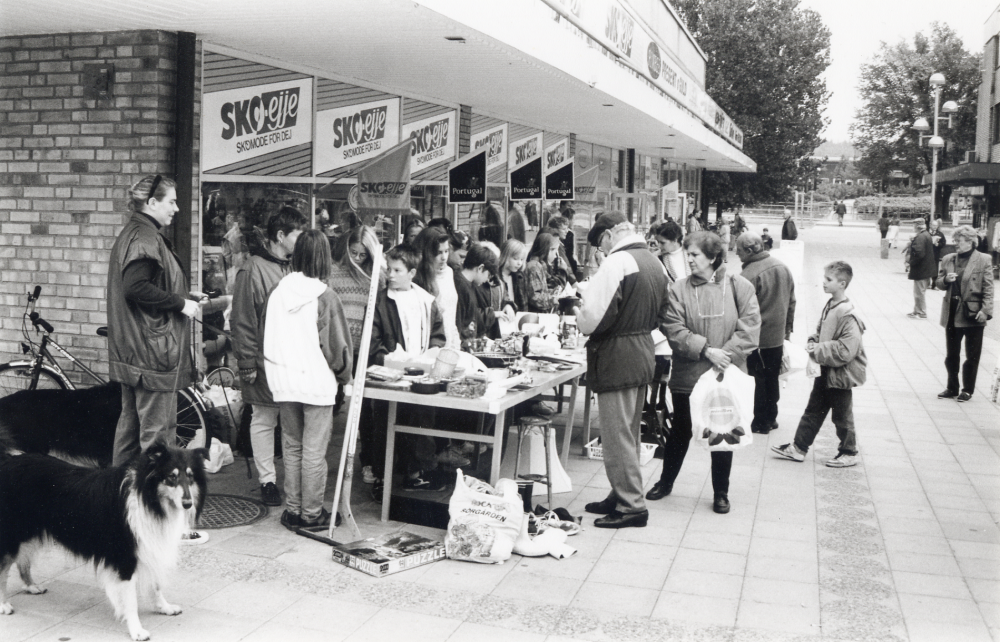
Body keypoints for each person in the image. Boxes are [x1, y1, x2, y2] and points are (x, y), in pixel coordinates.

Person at [649, 231, 760, 514]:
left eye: (695, 254)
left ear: (713, 257)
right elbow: (672, 327)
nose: (689, 260)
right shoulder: (679, 289)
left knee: (722, 433)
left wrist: (727, 355)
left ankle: (721, 492)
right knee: (681, 430)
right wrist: (707, 350)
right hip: (690, 375)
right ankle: (665, 482)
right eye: (687, 254)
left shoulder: (740, 285)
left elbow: (750, 327)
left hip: (725, 374)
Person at [576, 213, 671, 529]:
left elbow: (592, 316)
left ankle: (631, 505)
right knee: (627, 431)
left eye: (599, 245)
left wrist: (579, 315)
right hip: (642, 349)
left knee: (617, 436)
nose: (601, 252)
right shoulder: (654, 262)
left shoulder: (617, 263)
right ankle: (620, 494)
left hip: (617, 354)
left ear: (606, 236)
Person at [108, 175, 204, 464]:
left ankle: (118, 499)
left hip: (136, 351)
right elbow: (135, 286)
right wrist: (179, 303)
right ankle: (153, 504)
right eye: (171, 201)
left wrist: (185, 295)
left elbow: (144, 283)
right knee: (158, 436)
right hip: (153, 355)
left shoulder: (135, 232)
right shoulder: (146, 237)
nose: (176, 208)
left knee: (130, 428)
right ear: (151, 202)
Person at [264, 230, 353, 530]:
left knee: (292, 447)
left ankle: (293, 510)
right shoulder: (325, 297)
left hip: (284, 381)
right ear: (325, 258)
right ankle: (312, 514)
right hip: (316, 383)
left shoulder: (278, 292)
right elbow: (337, 348)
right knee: (314, 451)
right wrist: (345, 376)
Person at [231, 206, 307, 507]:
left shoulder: (293, 266)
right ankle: (267, 481)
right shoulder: (252, 269)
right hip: (264, 358)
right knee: (264, 418)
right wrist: (246, 362)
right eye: (297, 234)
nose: (301, 241)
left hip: (292, 360)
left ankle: (290, 480)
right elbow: (243, 319)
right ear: (280, 236)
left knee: (289, 421)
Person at [368, 244, 448, 492]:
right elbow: (373, 341)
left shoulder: (426, 301)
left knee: (420, 425)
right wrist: (391, 360)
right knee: (385, 425)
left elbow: (437, 334)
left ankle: (415, 472)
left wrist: (434, 349)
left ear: (412, 272)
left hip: (421, 375)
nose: (390, 275)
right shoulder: (380, 302)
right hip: (391, 376)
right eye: (389, 269)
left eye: (396, 270)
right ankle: (383, 477)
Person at [772, 261, 866, 468]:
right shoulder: (831, 305)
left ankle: (849, 452)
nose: (823, 282)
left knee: (842, 416)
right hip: (826, 370)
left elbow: (846, 351)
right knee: (813, 410)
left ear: (842, 283)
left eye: (828, 280)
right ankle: (798, 448)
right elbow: (822, 332)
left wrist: (818, 349)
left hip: (841, 375)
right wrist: (813, 340)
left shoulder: (848, 314)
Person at [735, 232, 795, 435]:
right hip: (776, 336)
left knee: (758, 379)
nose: (736, 252)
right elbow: (792, 301)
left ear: (750, 250)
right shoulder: (782, 267)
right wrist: (787, 331)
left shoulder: (748, 275)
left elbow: (739, 310)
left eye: (739, 249)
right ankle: (771, 417)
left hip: (757, 338)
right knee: (772, 378)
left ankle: (760, 422)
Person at [935, 226, 994, 402]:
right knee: (951, 354)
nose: (955, 245)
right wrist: (945, 280)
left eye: (959, 241)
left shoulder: (983, 259)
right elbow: (938, 282)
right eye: (955, 241)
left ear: (970, 241)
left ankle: (967, 389)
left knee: (972, 354)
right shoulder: (948, 258)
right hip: (952, 311)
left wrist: (986, 310)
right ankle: (952, 387)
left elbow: (989, 287)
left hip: (973, 313)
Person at [414, 227, 461, 349]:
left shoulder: (449, 272)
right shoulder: (417, 279)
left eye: (446, 251)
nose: (444, 257)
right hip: (430, 346)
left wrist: (456, 344)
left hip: (450, 345)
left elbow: (451, 315)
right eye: (439, 253)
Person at [454, 243, 499, 346]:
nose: (487, 280)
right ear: (480, 268)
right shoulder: (461, 286)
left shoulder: (469, 284)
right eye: (488, 275)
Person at [523, 231, 563, 313]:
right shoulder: (534, 267)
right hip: (535, 313)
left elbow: (539, 291)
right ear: (547, 250)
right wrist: (552, 300)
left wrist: (552, 292)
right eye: (555, 252)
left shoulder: (538, 265)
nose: (555, 256)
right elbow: (535, 297)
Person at [907, 218, 936, 319]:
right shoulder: (926, 235)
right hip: (926, 268)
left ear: (917, 226)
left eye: (914, 225)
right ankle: (917, 310)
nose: (913, 227)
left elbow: (919, 253)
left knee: (919, 292)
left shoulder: (920, 237)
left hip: (921, 269)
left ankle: (921, 312)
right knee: (919, 291)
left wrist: (911, 262)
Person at [497, 239, 528, 318]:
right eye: (515, 259)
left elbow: (523, 305)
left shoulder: (519, 277)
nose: (519, 263)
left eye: (521, 259)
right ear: (505, 256)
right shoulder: (496, 277)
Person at [652, 221, 689, 285]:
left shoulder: (691, 253)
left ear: (675, 240)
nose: (659, 246)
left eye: (662, 243)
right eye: (658, 242)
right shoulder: (655, 257)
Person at [928, 218, 946, 287]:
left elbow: (943, 243)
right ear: (930, 225)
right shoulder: (927, 233)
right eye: (933, 225)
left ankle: (934, 284)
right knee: (927, 268)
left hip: (935, 253)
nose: (935, 227)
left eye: (936, 225)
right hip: (927, 253)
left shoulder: (940, 234)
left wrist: (938, 245)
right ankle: (927, 283)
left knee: (935, 268)